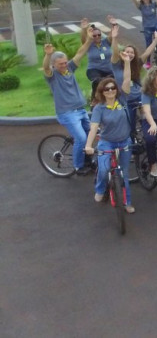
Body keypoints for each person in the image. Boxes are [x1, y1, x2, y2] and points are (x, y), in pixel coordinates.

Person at [83, 78, 134, 213]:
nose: (111, 90)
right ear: (102, 92)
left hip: (124, 141)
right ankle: (100, 189)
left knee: (124, 173)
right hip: (107, 142)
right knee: (104, 170)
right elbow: (94, 128)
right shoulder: (99, 108)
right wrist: (88, 145)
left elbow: (127, 81)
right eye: (107, 89)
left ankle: (127, 202)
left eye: (113, 88)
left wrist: (127, 62)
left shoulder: (122, 101)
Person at [42, 42, 93, 175]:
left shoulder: (69, 69)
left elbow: (80, 53)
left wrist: (89, 38)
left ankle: (87, 161)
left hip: (81, 110)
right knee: (81, 138)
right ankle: (78, 166)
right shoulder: (52, 76)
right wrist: (48, 55)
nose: (64, 65)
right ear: (54, 65)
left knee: (90, 135)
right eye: (61, 64)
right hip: (67, 113)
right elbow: (45, 67)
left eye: (65, 62)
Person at [78, 20, 113, 98]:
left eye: (99, 35)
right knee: (98, 82)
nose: (97, 37)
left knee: (113, 83)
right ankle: (94, 99)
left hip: (108, 70)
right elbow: (83, 39)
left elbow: (113, 35)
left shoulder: (106, 42)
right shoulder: (89, 44)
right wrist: (84, 29)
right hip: (94, 70)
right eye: (94, 35)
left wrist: (113, 25)